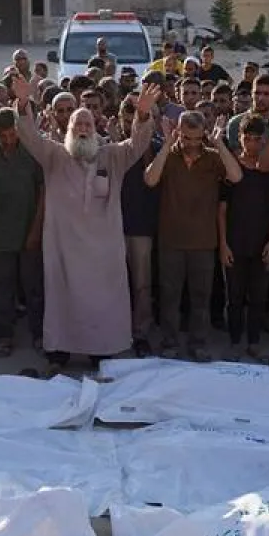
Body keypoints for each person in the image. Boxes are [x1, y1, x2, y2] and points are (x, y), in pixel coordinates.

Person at [10, 74, 161, 365]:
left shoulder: (112, 156)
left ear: (96, 129)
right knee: (63, 301)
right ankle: (60, 352)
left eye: (86, 125)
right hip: (64, 250)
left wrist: (142, 113)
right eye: (76, 125)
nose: (81, 129)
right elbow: (28, 135)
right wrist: (23, 101)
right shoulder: (53, 155)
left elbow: (138, 143)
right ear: (67, 129)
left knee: (100, 305)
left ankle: (99, 352)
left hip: (102, 254)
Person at [145, 109, 244, 361]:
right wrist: (167, 144)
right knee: (169, 295)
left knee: (201, 297)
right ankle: (169, 340)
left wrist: (218, 143)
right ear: (179, 132)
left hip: (203, 242)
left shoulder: (212, 158)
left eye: (197, 138)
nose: (191, 144)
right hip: (171, 241)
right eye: (186, 138)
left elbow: (236, 175)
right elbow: (150, 179)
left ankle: (198, 342)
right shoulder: (169, 155)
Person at [0, 107, 45, 356]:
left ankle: (39, 333)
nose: (7, 140)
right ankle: (5, 335)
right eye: (2, 135)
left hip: (28, 231)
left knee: (33, 288)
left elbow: (43, 193)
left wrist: (36, 230)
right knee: (1, 289)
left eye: (11, 134)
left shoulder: (32, 150)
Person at [219, 113, 269, 360]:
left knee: (258, 296)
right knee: (234, 296)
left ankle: (254, 341)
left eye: (258, 139)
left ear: (264, 141)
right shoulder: (231, 167)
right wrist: (223, 243)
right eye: (248, 138)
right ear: (240, 138)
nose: (252, 143)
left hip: (262, 245)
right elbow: (221, 210)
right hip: (235, 243)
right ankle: (235, 341)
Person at [119, 99, 163, 356]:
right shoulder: (113, 146)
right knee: (114, 283)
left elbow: (151, 179)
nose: (131, 125)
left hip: (142, 227)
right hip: (113, 225)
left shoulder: (157, 147)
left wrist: (144, 138)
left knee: (142, 284)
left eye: (137, 120)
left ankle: (141, 332)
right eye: (128, 120)